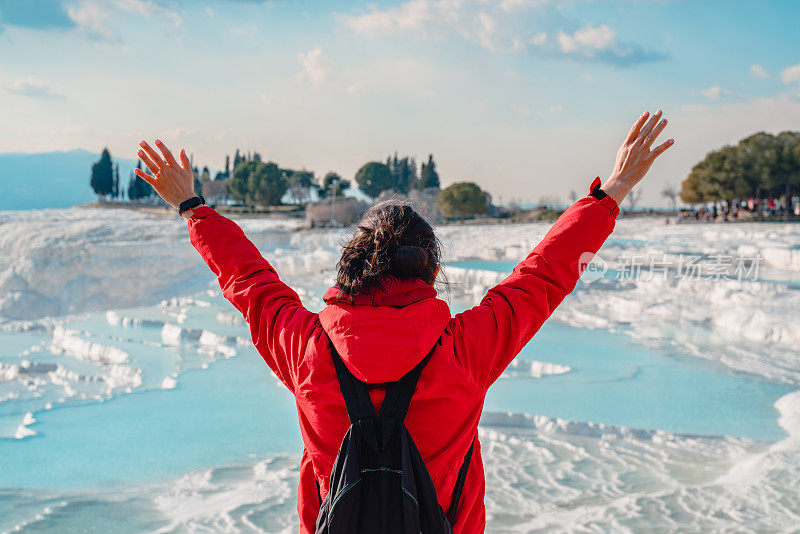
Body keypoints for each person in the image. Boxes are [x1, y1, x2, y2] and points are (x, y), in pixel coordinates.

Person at [134, 110, 673, 533]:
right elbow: (542, 277)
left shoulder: (307, 349)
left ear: (349, 265)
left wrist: (193, 207)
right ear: (431, 270)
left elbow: (249, 280)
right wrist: (611, 192)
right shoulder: (463, 352)